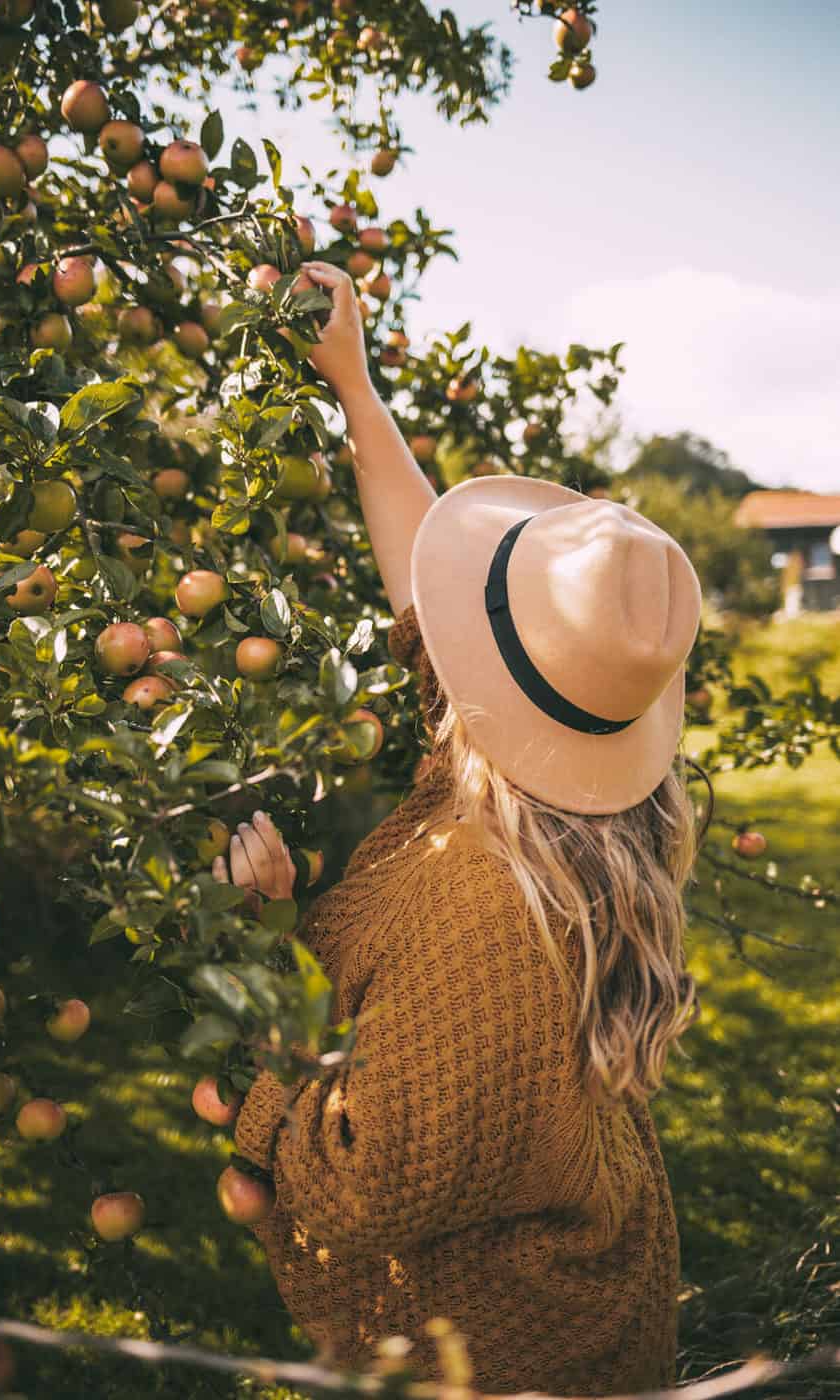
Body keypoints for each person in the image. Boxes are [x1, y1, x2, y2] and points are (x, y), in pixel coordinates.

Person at [215, 261, 698, 1392]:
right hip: (587, 1304)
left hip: (500, 1359)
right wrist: (354, 387)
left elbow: (358, 1183)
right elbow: (424, 590)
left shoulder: (481, 910)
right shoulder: (574, 801)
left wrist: (266, 961)